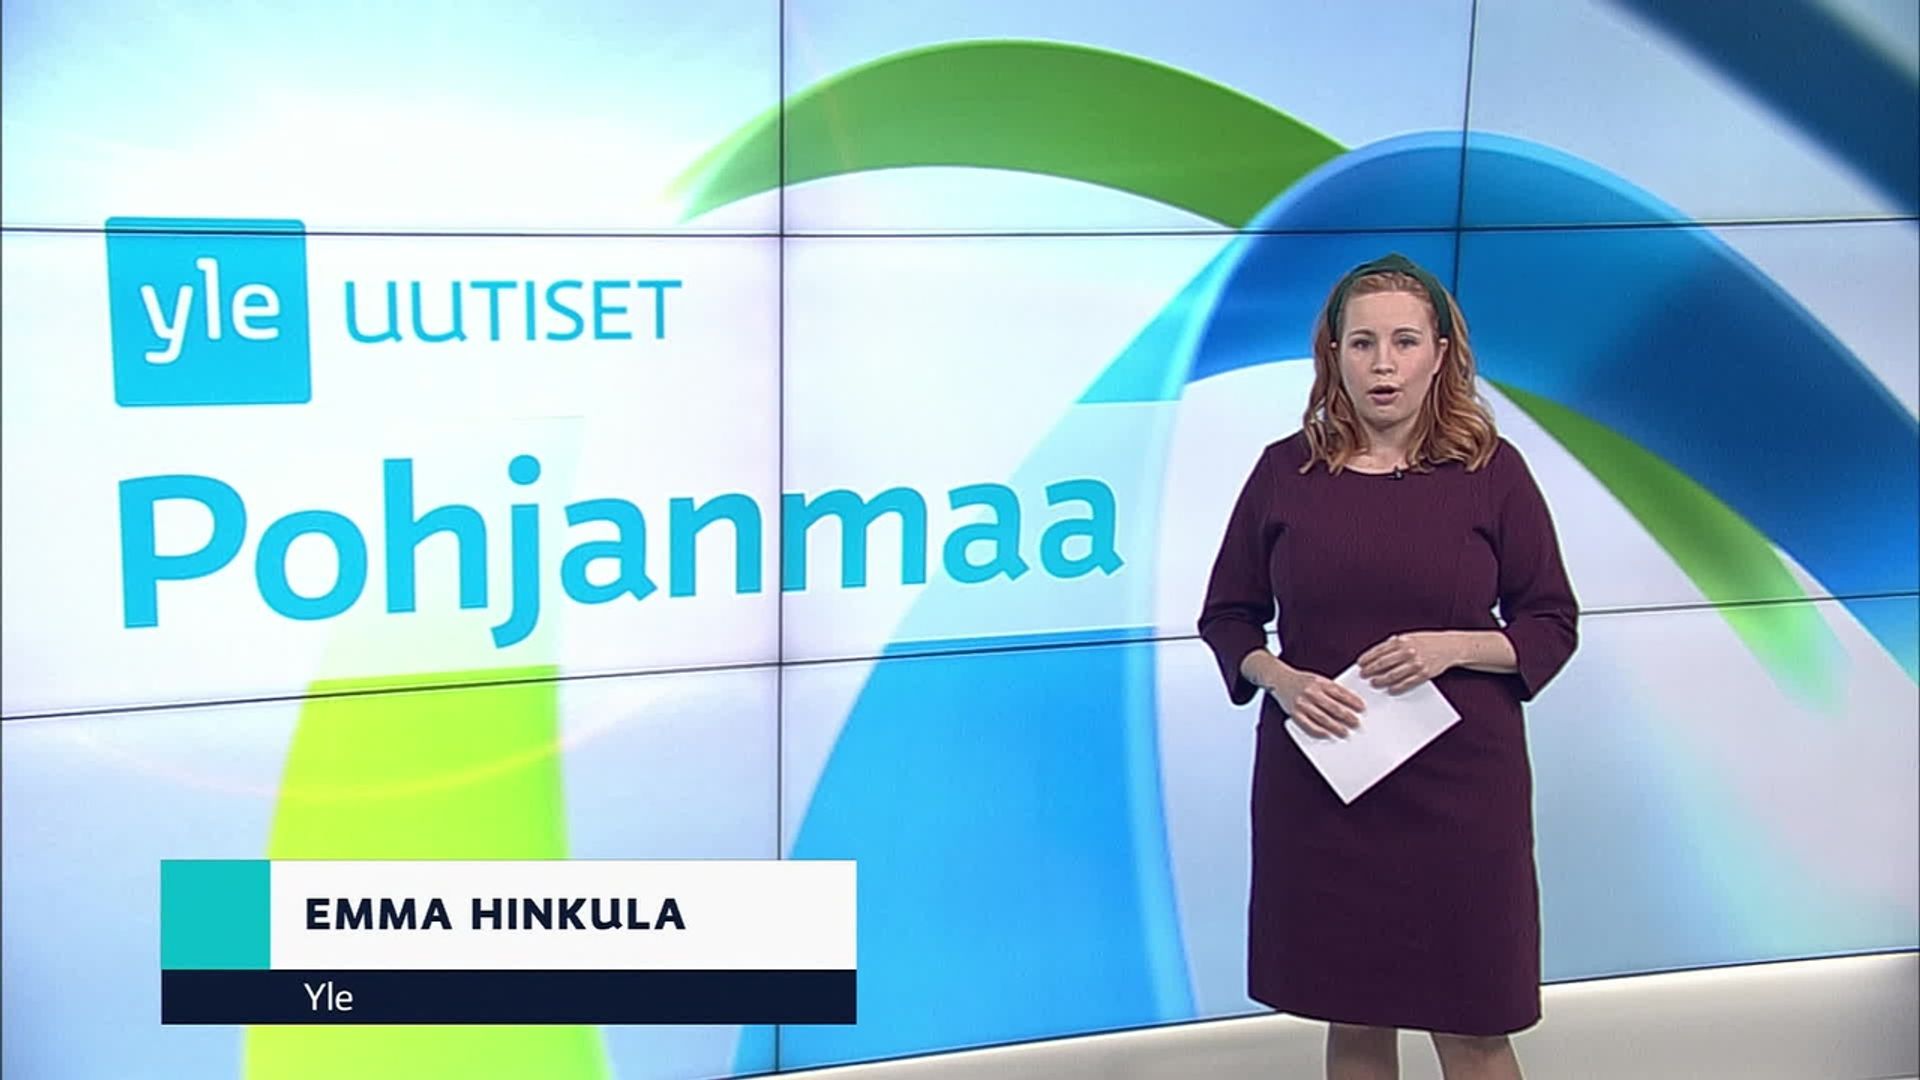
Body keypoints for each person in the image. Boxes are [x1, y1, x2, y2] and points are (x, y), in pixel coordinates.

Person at [1197, 253, 1579, 1080]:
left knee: (1474, 1024)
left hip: (1461, 794)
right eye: (1363, 343)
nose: (1383, 364)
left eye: (1404, 342)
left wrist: (1455, 645)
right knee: (1356, 1014)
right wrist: (1281, 678)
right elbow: (1227, 617)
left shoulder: (1492, 473)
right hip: (1326, 785)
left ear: (1440, 354)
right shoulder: (1285, 472)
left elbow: (1551, 621)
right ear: (1333, 353)